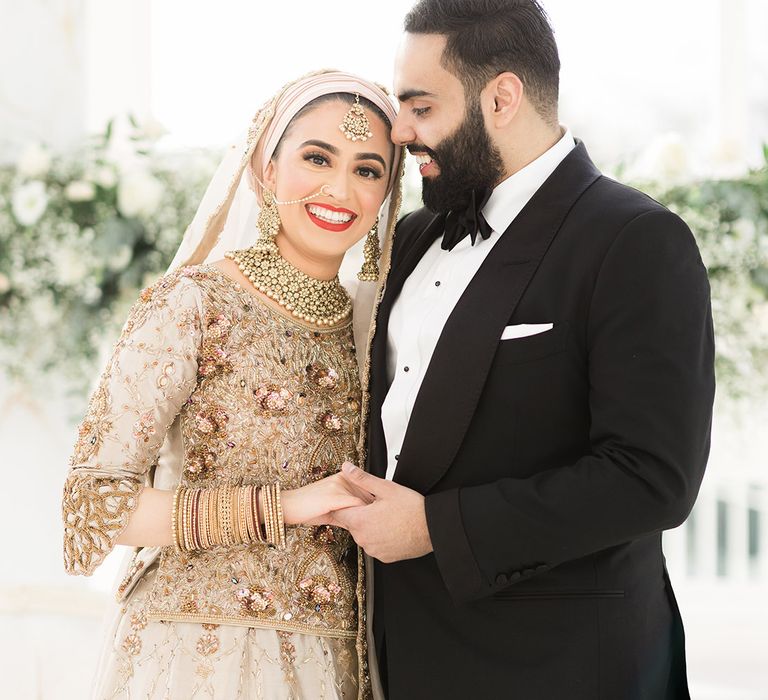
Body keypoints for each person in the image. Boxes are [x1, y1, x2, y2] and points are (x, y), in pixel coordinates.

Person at [328, 2, 716, 698]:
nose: (398, 130)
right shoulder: (415, 235)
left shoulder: (636, 240)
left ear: (501, 97)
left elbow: (652, 476)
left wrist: (433, 528)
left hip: (561, 669)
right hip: (404, 661)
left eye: (419, 104)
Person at [60, 70, 403, 699]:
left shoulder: (380, 327)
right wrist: (286, 506)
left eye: (368, 169)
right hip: (194, 653)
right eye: (316, 157)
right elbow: (96, 506)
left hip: (337, 658)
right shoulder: (191, 304)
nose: (340, 188)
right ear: (264, 167)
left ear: (388, 192)